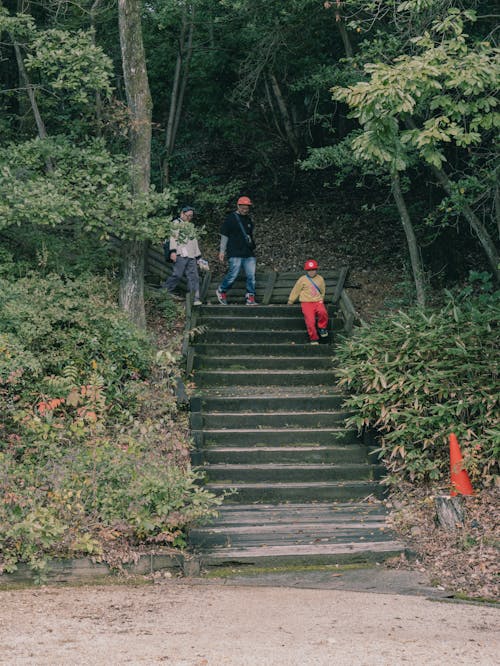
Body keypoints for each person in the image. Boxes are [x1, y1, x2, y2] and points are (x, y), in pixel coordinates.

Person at [216, 196, 257, 305]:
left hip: (248, 252)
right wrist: (222, 251)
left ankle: (250, 297)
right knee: (233, 274)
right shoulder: (231, 219)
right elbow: (224, 235)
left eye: (247, 208)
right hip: (234, 252)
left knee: (251, 276)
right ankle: (221, 290)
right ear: (238, 206)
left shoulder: (248, 219)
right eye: (243, 208)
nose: (245, 210)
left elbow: (250, 235)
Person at [163, 206, 207, 306]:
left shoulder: (191, 226)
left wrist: (198, 257)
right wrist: (173, 251)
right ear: (182, 213)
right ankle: (165, 290)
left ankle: (195, 298)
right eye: (188, 215)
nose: (189, 218)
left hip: (191, 255)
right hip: (180, 254)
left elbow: (194, 242)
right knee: (177, 274)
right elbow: (173, 238)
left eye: (191, 216)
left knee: (194, 277)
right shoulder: (176, 223)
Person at [287, 259, 329, 344]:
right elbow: (296, 290)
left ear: (316, 270)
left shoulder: (320, 279)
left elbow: (322, 290)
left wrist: (321, 299)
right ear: (306, 271)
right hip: (306, 302)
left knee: (323, 312)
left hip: (318, 301)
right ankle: (314, 338)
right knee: (310, 321)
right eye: (309, 270)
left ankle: (322, 327)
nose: (311, 272)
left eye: (313, 270)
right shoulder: (302, 279)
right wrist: (291, 300)